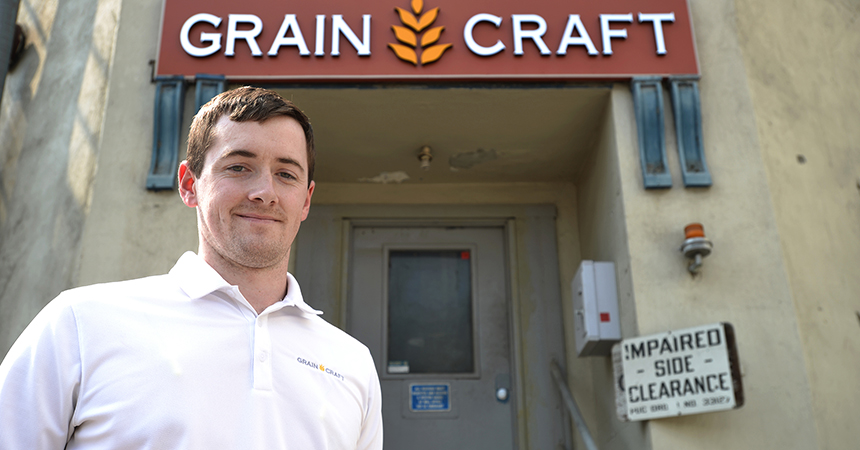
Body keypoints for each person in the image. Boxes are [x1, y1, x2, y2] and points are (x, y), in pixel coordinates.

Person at [0, 87, 383, 449]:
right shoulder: (79, 326)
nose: (264, 192)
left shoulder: (351, 363)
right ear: (189, 184)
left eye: (286, 174)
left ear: (306, 200)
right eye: (238, 167)